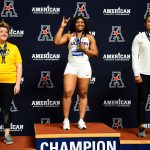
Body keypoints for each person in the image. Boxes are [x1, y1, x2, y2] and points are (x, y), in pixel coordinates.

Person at [54, 16, 98, 130]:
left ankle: (81, 120)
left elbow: (96, 54)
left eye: (82, 22)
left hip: (84, 67)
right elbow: (57, 41)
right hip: (71, 66)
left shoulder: (89, 37)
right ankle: (66, 120)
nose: (80, 24)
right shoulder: (69, 36)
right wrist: (61, 27)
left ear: (84, 24)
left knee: (83, 94)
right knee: (67, 92)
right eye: (77, 22)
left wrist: (85, 50)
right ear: (74, 24)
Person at [0, 21, 22, 144]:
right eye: (1, 31)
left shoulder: (13, 48)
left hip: (9, 82)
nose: (4, 34)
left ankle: (7, 134)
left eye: (6, 32)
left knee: (6, 109)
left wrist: (17, 83)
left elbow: (19, 66)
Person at [132, 14, 150, 137]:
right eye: (149, 21)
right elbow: (134, 56)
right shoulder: (139, 37)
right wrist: (136, 73)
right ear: (145, 23)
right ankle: (141, 127)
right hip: (143, 73)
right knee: (142, 101)